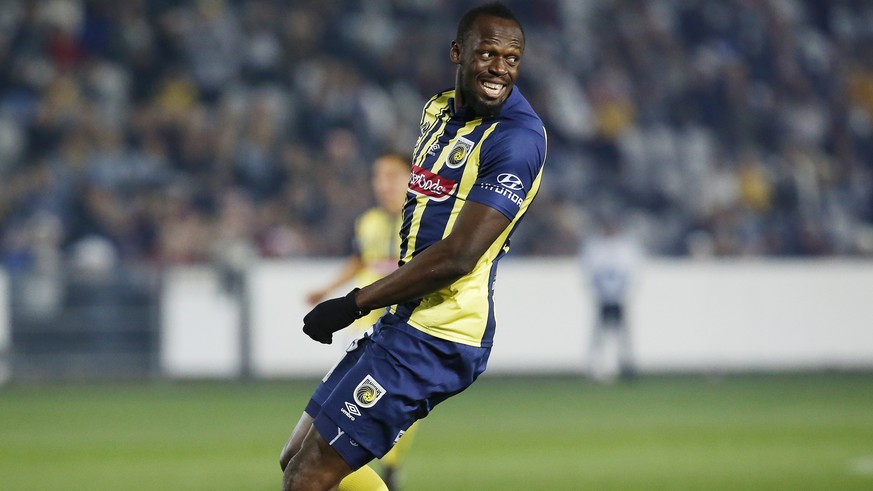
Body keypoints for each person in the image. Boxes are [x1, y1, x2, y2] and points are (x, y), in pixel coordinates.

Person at [279, 3, 547, 490]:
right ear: (457, 53)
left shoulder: (517, 140)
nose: (500, 69)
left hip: (440, 333)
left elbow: (459, 256)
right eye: (487, 54)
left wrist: (350, 304)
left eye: (512, 59)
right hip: (405, 319)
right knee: (295, 458)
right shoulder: (436, 111)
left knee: (309, 478)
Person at [303, 152, 418, 489]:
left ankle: (387, 466)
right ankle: (357, 467)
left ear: (414, 178)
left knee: (396, 404)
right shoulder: (367, 222)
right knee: (347, 405)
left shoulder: (425, 221)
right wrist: (325, 290)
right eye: (378, 177)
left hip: (402, 328)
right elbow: (358, 263)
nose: (384, 185)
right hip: (361, 326)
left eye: (393, 176)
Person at [579, 213, 642, 383]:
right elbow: (590, 271)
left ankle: (625, 366)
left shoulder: (624, 247)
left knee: (622, 335)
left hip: (618, 297)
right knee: (600, 335)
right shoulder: (595, 247)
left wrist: (624, 291)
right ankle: (597, 367)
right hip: (603, 297)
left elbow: (632, 272)